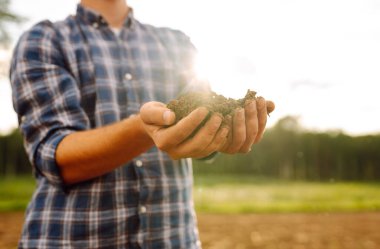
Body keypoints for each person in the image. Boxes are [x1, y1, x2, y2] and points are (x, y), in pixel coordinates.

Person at [10, 0, 275, 248]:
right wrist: (142, 129)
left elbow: (201, 123)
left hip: (173, 239)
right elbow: (56, 158)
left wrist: (223, 133)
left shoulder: (176, 44)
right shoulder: (45, 40)